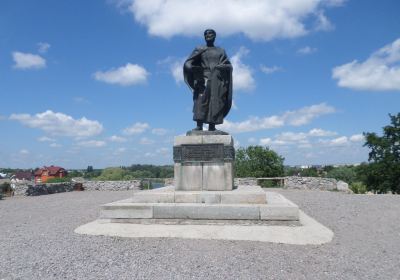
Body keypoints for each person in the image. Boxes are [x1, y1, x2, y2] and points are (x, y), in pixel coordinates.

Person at [183, 29, 233, 133]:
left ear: (215, 36)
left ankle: (212, 127)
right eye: (205, 34)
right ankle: (199, 126)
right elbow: (188, 62)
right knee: (201, 101)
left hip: (217, 80)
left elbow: (229, 65)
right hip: (203, 78)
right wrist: (192, 68)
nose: (207, 35)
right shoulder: (200, 49)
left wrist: (223, 67)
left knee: (216, 102)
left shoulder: (221, 51)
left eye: (210, 33)